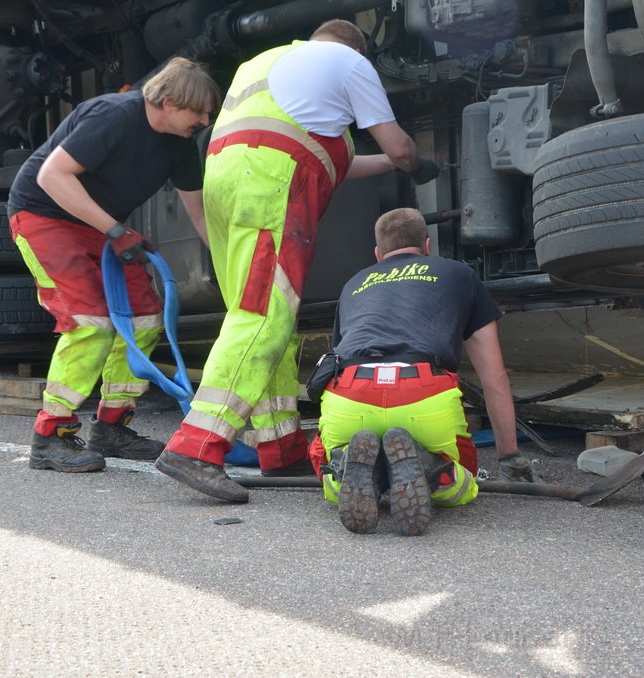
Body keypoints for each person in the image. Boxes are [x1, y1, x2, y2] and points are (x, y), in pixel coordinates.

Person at [155, 19, 440, 502]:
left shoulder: (264, 64)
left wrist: (387, 163)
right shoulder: (349, 61)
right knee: (262, 316)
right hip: (272, 179)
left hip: (228, 180)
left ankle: (280, 448)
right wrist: (412, 161)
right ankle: (196, 446)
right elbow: (398, 146)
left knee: (268, 322)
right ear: (356, 46)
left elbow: (339, 162)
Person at [8, 57, 219, 473]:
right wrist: (116, 230)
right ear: (171, 101)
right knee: (90, 320)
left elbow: (199, 213)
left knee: (144, 319)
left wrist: (232, 267)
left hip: (99, 226)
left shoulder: (180, 145)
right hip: (44, 215)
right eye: (200, 110)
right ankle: (50, 436)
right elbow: (53, 176)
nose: (205, 119)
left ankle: (111, 427)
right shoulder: (115, 115)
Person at [310, 207, 538, 537]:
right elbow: (494, 378)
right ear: (427, 245)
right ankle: (433, 470)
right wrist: (511, 458)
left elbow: (338, 360)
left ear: (378, 254)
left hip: (351, 395)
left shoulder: (353, 285)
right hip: (422, 392)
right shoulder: (458, 274)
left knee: (327, 472)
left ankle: (350, 471)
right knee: (464, 484)